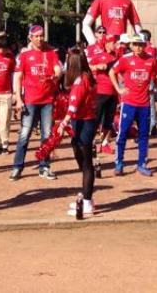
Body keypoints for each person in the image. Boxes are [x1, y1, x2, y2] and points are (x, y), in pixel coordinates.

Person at [10, 26, 62, 180]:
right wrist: (18, 99)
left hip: (47, 100)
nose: (40, 39)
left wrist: (56, 75)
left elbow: (58, 69)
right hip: (30, 100)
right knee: (24, 134)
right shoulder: (24, 56)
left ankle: (44, 166)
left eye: (42, 36)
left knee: (46, 135)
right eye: (37, 36)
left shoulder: (51, 53)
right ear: (30, 37)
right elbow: (17, 77)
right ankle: (17, 167)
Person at [110, 33, 157, 176]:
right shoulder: (125, 59)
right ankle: (119, 163)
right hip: (129, 103)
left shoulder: (151, 60)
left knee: (144, 135)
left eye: (141, 45)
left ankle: (142, 164)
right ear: (131, 45)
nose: (138, 47)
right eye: (135, 44)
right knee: (123, 133)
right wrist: (119, 89)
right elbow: (112, 72)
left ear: (145, 46)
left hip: (144, 104)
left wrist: (154, 88)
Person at [58, 47, 97, 216]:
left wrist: (62, 123)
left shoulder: (81, 81)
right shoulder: (84, 78)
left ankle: (87, 201)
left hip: (85, 122)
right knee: (79, 152)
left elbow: (73, 105)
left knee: (86, 160)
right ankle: (86, 194)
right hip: (81, 120)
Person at [87, 32, 120, 160]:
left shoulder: (117, 56)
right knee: (96, 119)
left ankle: (105, 143)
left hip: (113, 92)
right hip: (101, 91)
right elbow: (87, 67)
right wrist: (97, 66)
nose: (115, 45)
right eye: (113, 43)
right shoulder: (99, 55)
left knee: (109, 120)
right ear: (107, 44)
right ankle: (90, 143)